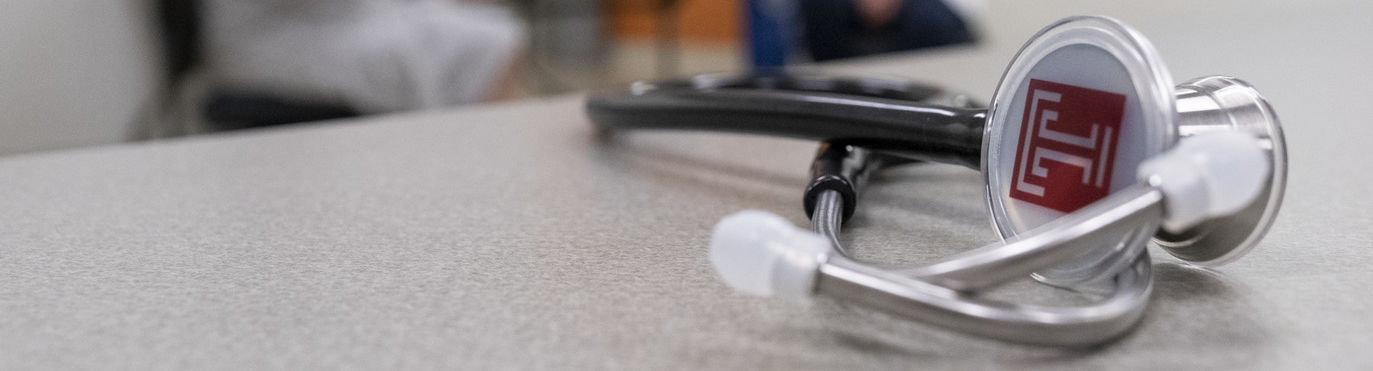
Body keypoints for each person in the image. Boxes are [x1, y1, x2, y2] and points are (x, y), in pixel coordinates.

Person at [202, 0, 526, 116]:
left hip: (327, 22)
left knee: (493, 29)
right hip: (280, 44)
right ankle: (490, 171)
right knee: (489, 42)